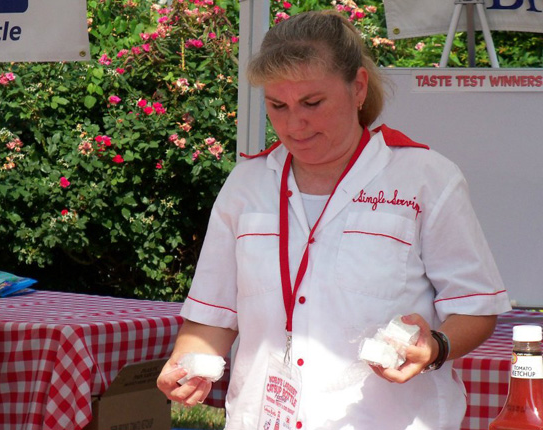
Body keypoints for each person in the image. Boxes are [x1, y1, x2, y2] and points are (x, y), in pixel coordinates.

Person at [156, 9, 511, 430]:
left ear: (358, 87)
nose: (294, 123)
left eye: (312, 102)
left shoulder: (425, 178)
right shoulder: (247, 183)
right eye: (277, 105)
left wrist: (435, 346)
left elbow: (476, 307)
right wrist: (188, 362)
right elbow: (213, 315)